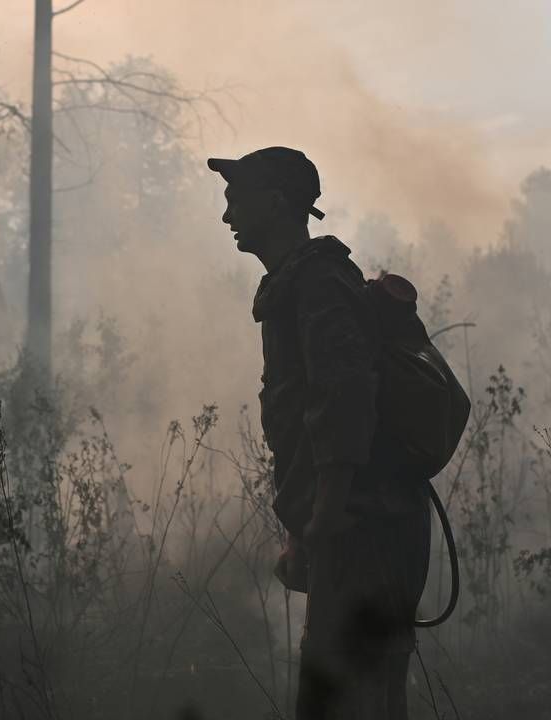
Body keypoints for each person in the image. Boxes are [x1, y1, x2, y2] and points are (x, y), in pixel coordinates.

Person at [208, 147, 431, 720]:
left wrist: (327, 515)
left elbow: (344, 401)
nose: (227, 216)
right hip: (352, 523)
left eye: (237, 199)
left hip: (366, 527)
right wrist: (304, 535)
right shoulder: (299, 284)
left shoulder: (320, 284)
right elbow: (311, 424)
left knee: (353, 699)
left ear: (277, 201)